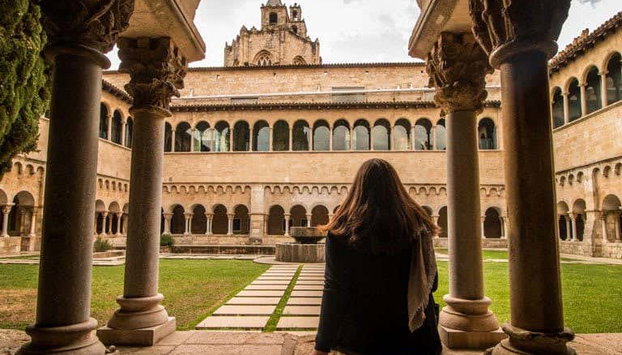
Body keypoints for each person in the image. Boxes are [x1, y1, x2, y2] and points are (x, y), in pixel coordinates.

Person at [311, 159, 442, 355]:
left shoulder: (342, 230)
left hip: (361, 339)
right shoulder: (417, 225)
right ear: (396, 187)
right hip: (414, 337)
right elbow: (432, 283)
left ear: (358, 187)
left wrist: (321, 347)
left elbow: (335, 290)